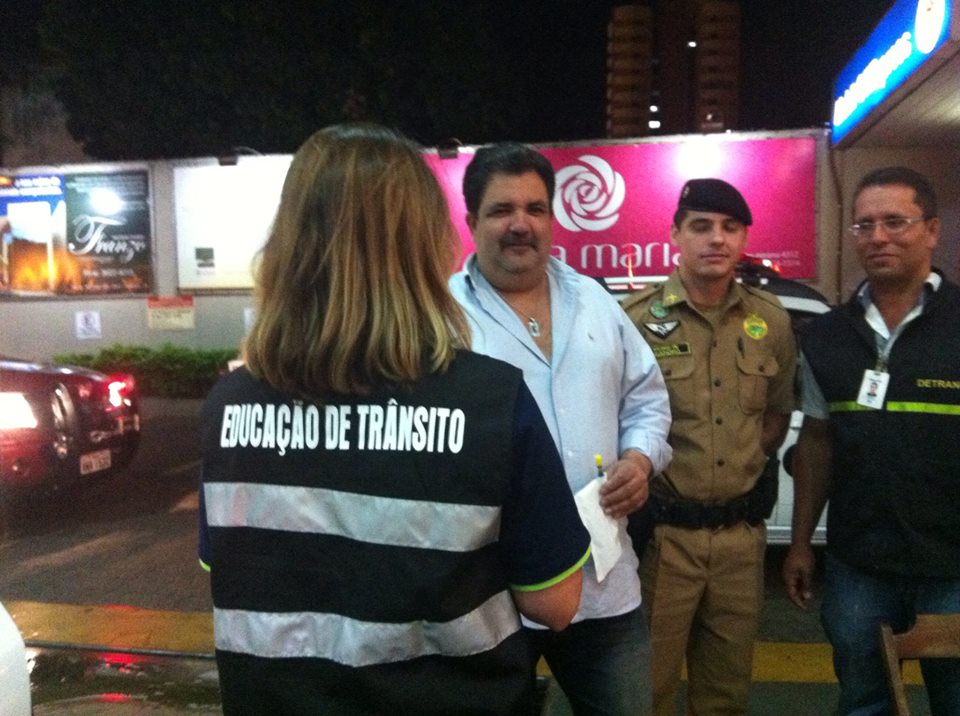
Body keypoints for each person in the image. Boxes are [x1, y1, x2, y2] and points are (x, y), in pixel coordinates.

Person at [198, 124, 591, 715]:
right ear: (424, 247)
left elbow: (225, 565)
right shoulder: (490, 400)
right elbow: (555, 603)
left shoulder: (228, 406)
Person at [449, 142, 672, 715]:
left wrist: (640, 460)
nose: (520, 224)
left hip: (603, 582)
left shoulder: (595, 301)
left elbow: (646, 399)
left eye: (535, 208)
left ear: (552, 217)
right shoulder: (440, 318)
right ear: (472, 221)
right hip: (490, 595)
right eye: (502, 210)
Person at [783, 166, 960, 715]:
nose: (878, 236)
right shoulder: (827, 335)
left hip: (954, 568)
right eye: (864, 225)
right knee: (864, 703)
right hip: (859, 567)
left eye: (895, 222)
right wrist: (800, 542)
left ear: (932, 231)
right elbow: (816, 443)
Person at [621, 178, 797, 715]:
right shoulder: (635, 319)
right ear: (675, 234)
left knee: (725, 695)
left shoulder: (770, 320)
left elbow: (775, 414)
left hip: (740, 543)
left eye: (730, 227)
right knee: (645, 691)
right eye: (701, 226)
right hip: (663, 541)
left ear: (744, 238)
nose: (716, 238)